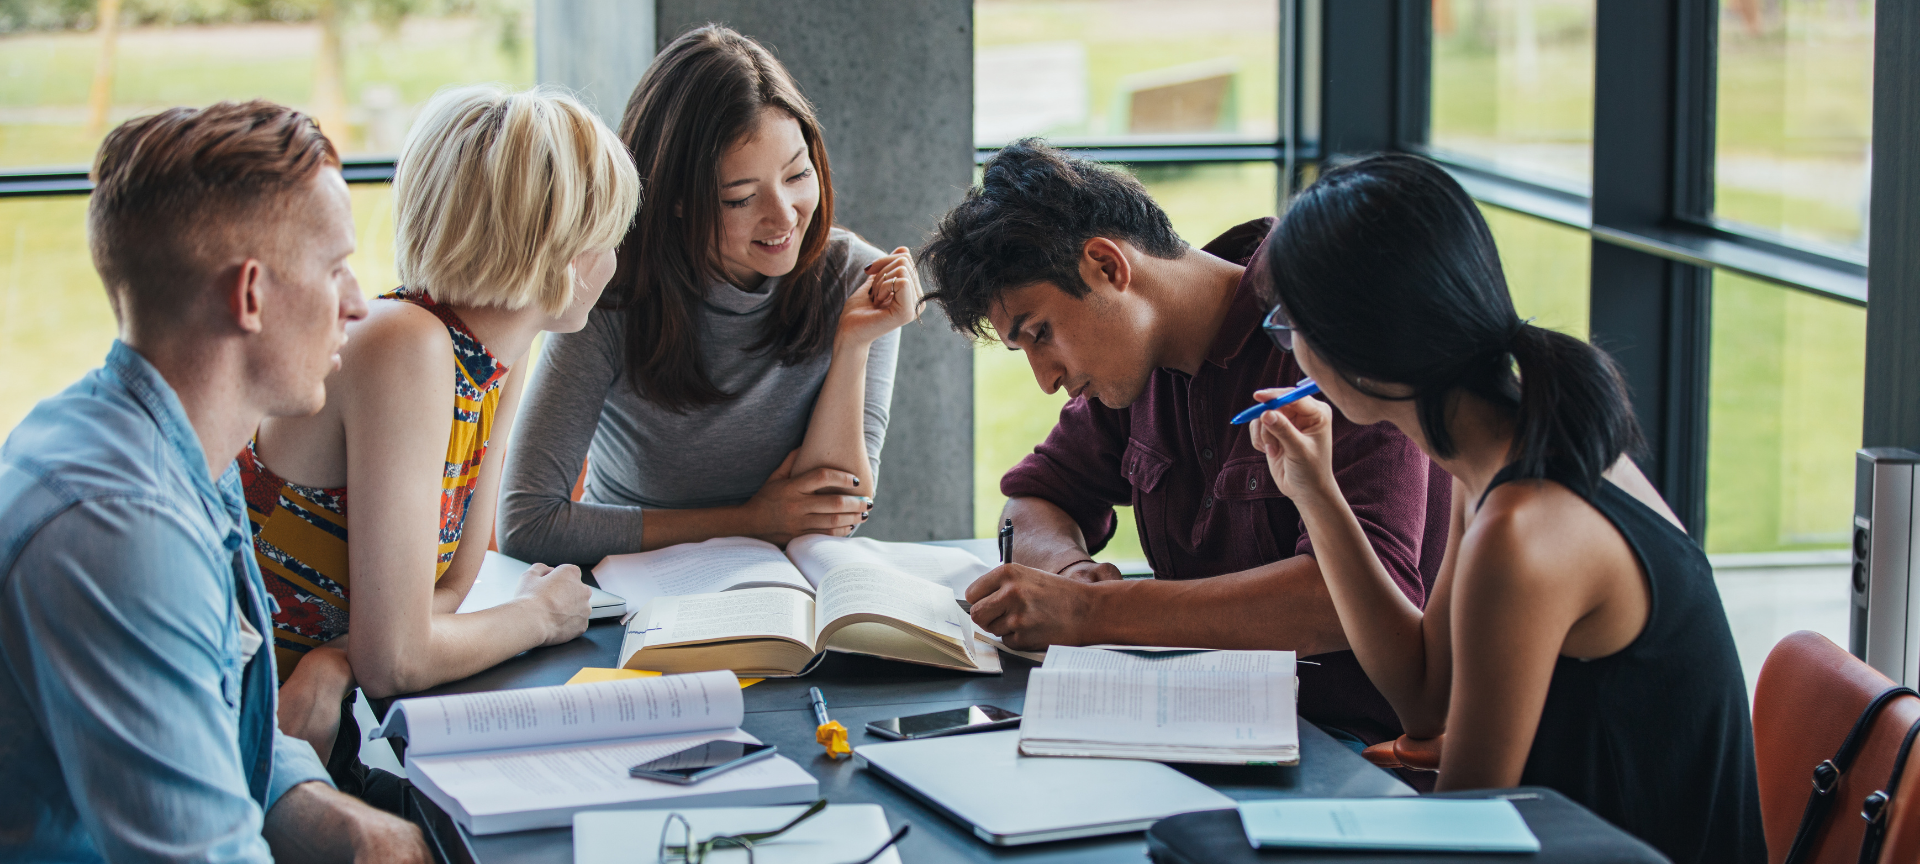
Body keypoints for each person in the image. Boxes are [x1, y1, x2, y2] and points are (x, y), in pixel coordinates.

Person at [1245, 153, 1762, 861]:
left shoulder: (1521, 532)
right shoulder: (1513, 448)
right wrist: (1318, 496)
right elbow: (1426, 696)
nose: (1291, 351)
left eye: (1289, 328)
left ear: (1358, 354)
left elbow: (1462, 833)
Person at [0, 101, 427, 861]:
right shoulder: (122, 528)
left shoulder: (176, 447)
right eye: (335, 269)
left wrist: (332, 815)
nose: (359, 304)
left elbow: (218, 715)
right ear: (250, 295)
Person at [922, 140, 1450, 747]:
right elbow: (1036, 498)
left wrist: (1093, 615)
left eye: (1041, 333)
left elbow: (1345, 601)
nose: (1046, 380)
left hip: (1356, 747)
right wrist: (1070, 574)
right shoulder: (1133, 373)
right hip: (1198, 719)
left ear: (1107, 266)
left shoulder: (1322, 332)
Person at [246, 85, 640, 796]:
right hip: (244, 720)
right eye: (607, 233)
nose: (614, 257)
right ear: (562, 249)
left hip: (317, 711)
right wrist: (537, 615)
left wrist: (341, 659)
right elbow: (397, 658)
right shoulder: (407, 346)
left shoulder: (497, 357)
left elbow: (452, 584)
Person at [497, 25, 921, 568]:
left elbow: (837, 508)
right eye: (741, 199)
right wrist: (750, 522)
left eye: (798, 174)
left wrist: (854, 345)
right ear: (675, 199)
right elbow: (526, 522)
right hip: (632, 595)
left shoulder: (854, 277)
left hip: (781, 590)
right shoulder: (608, 290)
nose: (784, 216)